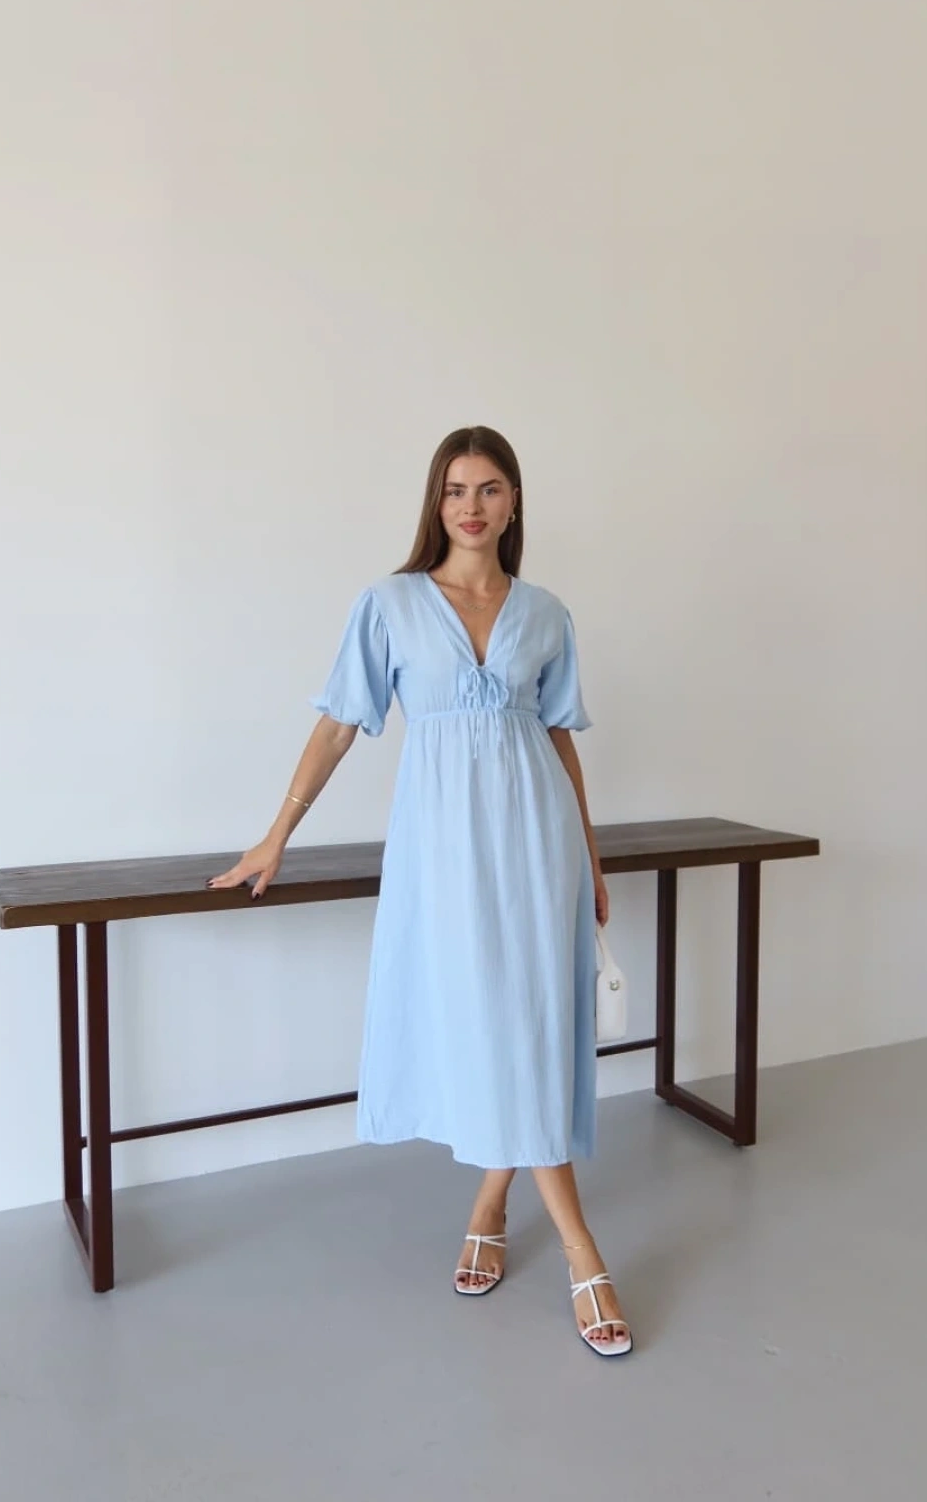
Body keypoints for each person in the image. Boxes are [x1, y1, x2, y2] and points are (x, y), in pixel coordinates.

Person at [208, 426, 632, 1357]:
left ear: (514, 503)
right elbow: (338, 725)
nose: (470, 507)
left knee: (529, 1027)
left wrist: (592, 858)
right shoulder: (391, 604)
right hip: (443, 853)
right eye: (454, 490)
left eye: (489, 489)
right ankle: (534, 1221)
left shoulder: (547, 612)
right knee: (489, 1024)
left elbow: (560, 739)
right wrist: (277, 834)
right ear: (436, 504)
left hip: (540, 846)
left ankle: (548, 1232)